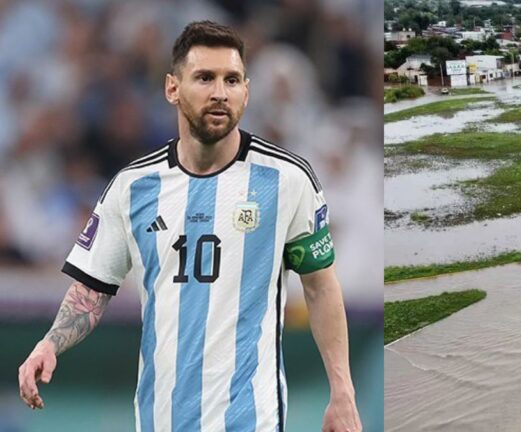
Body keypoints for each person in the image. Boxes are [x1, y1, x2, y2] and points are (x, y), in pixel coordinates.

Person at [18, 21, 362, 432]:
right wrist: (50, 342)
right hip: (159, 419)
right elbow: (92, 287)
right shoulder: (133, 188)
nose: (220, 92)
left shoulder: (287, 180)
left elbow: (321, 286)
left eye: (231, 79)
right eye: (205, 78)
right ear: (172, 88)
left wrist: (343, 393)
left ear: (246, 93)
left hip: (252, 420)